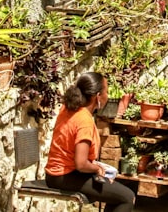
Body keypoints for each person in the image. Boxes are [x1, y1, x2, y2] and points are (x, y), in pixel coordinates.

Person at [46, 72, 135, 212]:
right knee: (127, 197)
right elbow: (81, 164)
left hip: (57, 174)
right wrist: (98, 169)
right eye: (107, 91)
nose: (108, 95)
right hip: (65, 176)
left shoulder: (68, 109)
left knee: (116, 195)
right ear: (97, 96)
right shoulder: (84, 120)